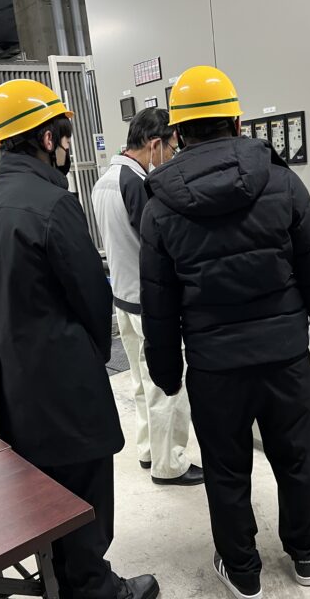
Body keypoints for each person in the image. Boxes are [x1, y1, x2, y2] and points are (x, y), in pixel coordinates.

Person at [140, 66, 310, 599]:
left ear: (178, 132)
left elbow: (158, 304)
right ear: (237, 122)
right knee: (296, 458)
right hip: (284, 358)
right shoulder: (282, 182)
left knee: (226, 470)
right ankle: (305, 556)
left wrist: (166, 371)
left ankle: (243, 571)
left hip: (215, 368)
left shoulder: (160, 206)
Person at [0, 79, 159, 599]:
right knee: (83, 499)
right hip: (64, 393)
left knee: (44, 500)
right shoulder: (53, 205)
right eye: (65, 139)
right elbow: (92, 298)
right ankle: (95, 589)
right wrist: (88, 357)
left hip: (11, 390)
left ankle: (63, 583)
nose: (68, 150)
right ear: (48, 139)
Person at [91, 107, 202, 486]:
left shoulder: (104, 180)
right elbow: (159, 246)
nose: (171, 156)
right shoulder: (137, 184)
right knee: (165, 387)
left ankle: (148, 450)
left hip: (123, 299)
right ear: (155, 144)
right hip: (148, 304)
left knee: (141, 383)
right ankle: (169, 464)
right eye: (171, 148)